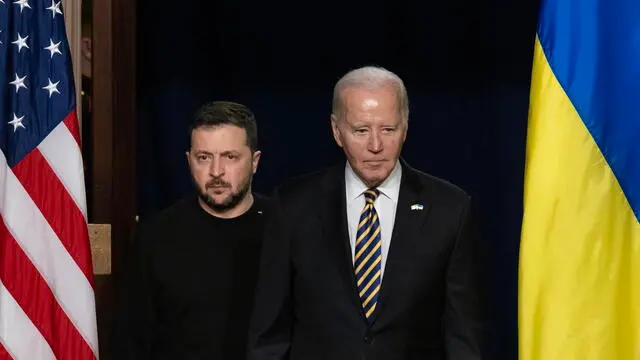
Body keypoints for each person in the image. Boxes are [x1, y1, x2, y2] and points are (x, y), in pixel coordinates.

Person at [247, 66, 483, 359]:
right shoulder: (293, 205)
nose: (375, 145)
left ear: (406, 127)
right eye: (361, 130)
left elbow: (463, 337)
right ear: (337, 131)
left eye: (388, 129)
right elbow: (270, 334)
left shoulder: (450, 209)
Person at [110, 101, 270, 359]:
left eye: (230, 157)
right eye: (204, 158)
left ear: (254, 161)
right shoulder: (157, 238)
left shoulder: (284, 230)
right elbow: (130, 341)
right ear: (189, 160)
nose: (216, 172)